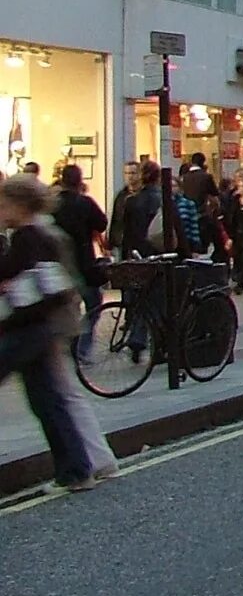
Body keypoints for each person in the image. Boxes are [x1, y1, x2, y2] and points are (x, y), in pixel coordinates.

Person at [0, 172, 116, 490]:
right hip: (40, 328)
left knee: (54, 400)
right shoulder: (34, 233)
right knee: (50, 400)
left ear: (19, 204)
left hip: (30, 329)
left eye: (3, 203)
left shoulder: (31, 236)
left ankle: (80, 469)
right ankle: (78, 470)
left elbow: (43, 285)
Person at [51, 164, 110, 357]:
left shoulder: (53, 204)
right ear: (79, 181)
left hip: (59, 263)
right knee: (94, 303)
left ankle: (68, 343)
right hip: (84, 261)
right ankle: (83, 346)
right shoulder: (85, 202)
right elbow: (101, 223)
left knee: (67, 306)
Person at [106, 160, 142, 256]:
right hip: (121, 242)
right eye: (126, 173)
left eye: (133, 173)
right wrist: (110, 243)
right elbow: (115, 218)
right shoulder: (121, 196)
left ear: (140, 174)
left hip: (138, 242)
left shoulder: (144, 196)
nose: (129, 176)